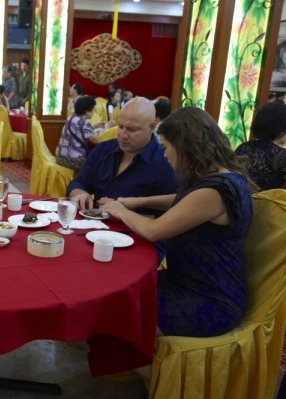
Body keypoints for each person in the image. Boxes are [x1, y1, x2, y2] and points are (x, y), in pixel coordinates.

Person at [101, 106, 255, 343]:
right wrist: (137, 201)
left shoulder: (216, 191)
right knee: (116, 291)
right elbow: (183, 201)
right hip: (184, 281)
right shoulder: (219, 176)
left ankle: (156, 378)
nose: (164, 155)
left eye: (165, 147)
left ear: (185, 147)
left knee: (116, 316)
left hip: (209, 298)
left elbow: (154, 231)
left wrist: (120, 210)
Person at [67, 97, 177, 213]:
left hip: (133, 229)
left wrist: (126, 212)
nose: (123, 135)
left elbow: (171, 212)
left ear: (152, 126)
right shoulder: (103, 150)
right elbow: (78, 183)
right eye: (120, 126)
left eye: (132, 129)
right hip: (93, 225)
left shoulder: (165, 161)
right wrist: (80, 194)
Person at [235, 101, 286, 190]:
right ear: (281, 129)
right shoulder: (280, 155)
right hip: (264, 202)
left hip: (238, 199)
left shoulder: (243, 147)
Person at [55, 96, 99, 172]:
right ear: (87, 111)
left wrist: (96, 126)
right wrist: (107, 129)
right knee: (97, 165)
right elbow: (95, 140)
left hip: (59, 156)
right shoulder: (83, 122)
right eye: (93, 110)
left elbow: (79, 130)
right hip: (71, 159)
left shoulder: (71, 117)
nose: (94, 112)